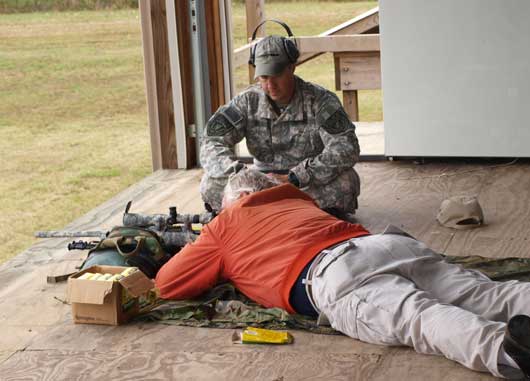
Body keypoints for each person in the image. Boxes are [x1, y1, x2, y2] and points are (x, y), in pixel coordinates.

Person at [157, 168, 530, 379]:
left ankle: (508, 352)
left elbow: (169, 283)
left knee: (421, 316)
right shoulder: (293, 198)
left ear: (231, 204)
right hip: (387, 245)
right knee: (488, 295)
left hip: (334, 272)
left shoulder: (226, 224)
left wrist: (204, 240)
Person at [199, 20, 360, 219]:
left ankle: (259, 211)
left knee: (346, 182)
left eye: (276, 75)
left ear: (292, 68)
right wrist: (241, 176)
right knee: (210, 183)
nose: (270, 84)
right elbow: (211, 141)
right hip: (258, 181)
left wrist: (293, 178)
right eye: (263, 77)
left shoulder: (320, 101)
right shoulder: (247, 101)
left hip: (304, 181)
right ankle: (292, 211)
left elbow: (346, 147)